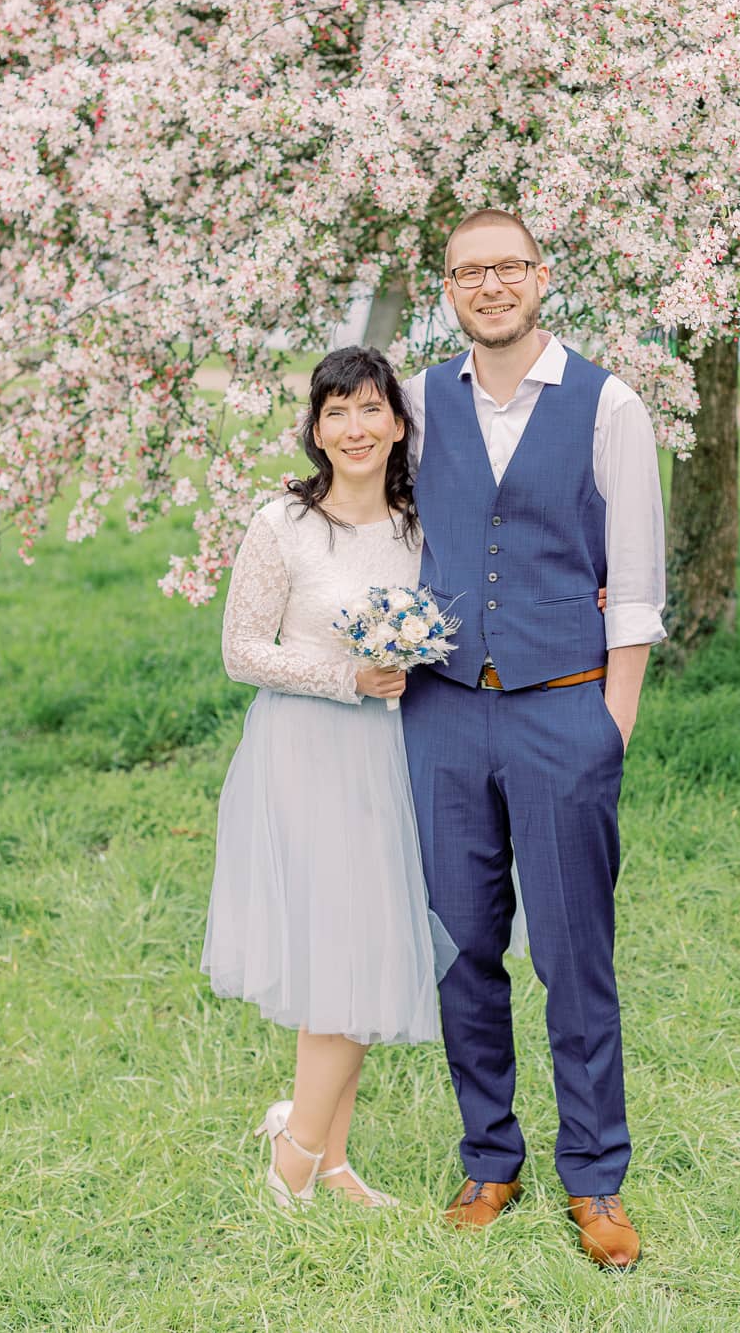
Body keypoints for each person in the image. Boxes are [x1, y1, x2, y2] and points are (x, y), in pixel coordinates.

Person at [401, 207, 667, 1269]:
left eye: (508, 267)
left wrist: (612, 727)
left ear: (542, 277)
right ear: (452, 289)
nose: (492, 286)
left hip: (568, 707)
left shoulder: (609, 406)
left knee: (571, 954)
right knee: (463, 948)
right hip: (445, 711)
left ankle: (596, 1179)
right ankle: (489, 1157)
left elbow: (638, 585)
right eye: (471, 272)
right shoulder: (420, 403)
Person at [201, 346, 451, 1210]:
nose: (355, 427)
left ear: (398, 423)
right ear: (315, 427)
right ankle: (296, 1159)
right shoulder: (283, 524)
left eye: (371, 408)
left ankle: (329, 1156)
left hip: (395, 755)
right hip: (306, 750)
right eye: (336, 411)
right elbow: (241, 651)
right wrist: (347, 675)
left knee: (366, 945)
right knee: (349, 944)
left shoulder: (422, 524)